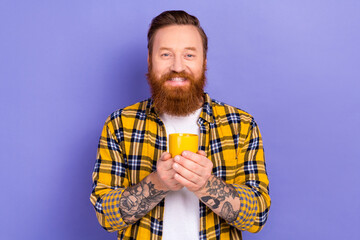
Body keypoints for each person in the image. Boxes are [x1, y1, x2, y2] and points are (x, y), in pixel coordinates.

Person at [90, 10, 271, 240]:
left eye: (189, 55)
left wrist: (206, 184)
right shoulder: (119, 124)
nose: (177, 66)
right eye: (166, 54)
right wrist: (157, 182)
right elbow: (105, 215)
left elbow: (258, 214)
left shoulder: (241, 125)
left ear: (204, 62)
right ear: (149, 60)